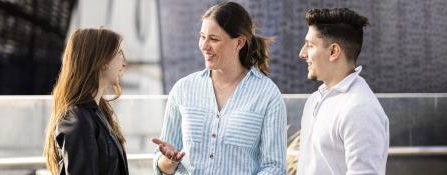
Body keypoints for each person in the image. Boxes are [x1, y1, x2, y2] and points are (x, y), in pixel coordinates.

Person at [152, 1, 287, 174]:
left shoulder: (267, 95)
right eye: (202, 36)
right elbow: (161, 164)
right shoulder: (183, 89)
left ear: (239, 43)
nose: (204, 46)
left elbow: (274, 167)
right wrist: (168, 161)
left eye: (214, 39)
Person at [296, 8, 390, 175]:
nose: (302, 54)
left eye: (310, 45)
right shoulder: (315, 99)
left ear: (333, 51)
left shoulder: (360, 109)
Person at [43, 28, 128, 175]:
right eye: (119, 53)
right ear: (102, 61)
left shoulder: (98, 114)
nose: (124, 63)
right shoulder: (77, 119)